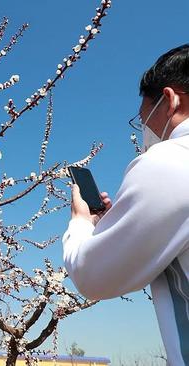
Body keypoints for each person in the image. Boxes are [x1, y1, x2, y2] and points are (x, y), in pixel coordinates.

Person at [63, 44, 189, 364]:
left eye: (142, 117)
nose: (144, 129)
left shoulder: (170, 160)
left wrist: (81, 222)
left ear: (170, 100)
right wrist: (114, 224)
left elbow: (92, 276)